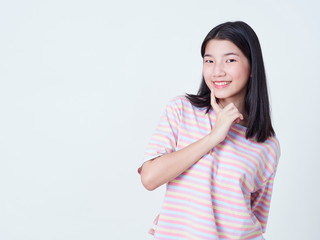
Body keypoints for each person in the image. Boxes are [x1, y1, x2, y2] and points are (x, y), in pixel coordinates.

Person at [138, 21, 280, 240]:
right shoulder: (182, 110)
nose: (217, 71)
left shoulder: (266, 144)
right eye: (209, 61)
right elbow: (150, 178)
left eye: (230, 60)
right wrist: (215, 136)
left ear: (252, 68)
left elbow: (255, 221)